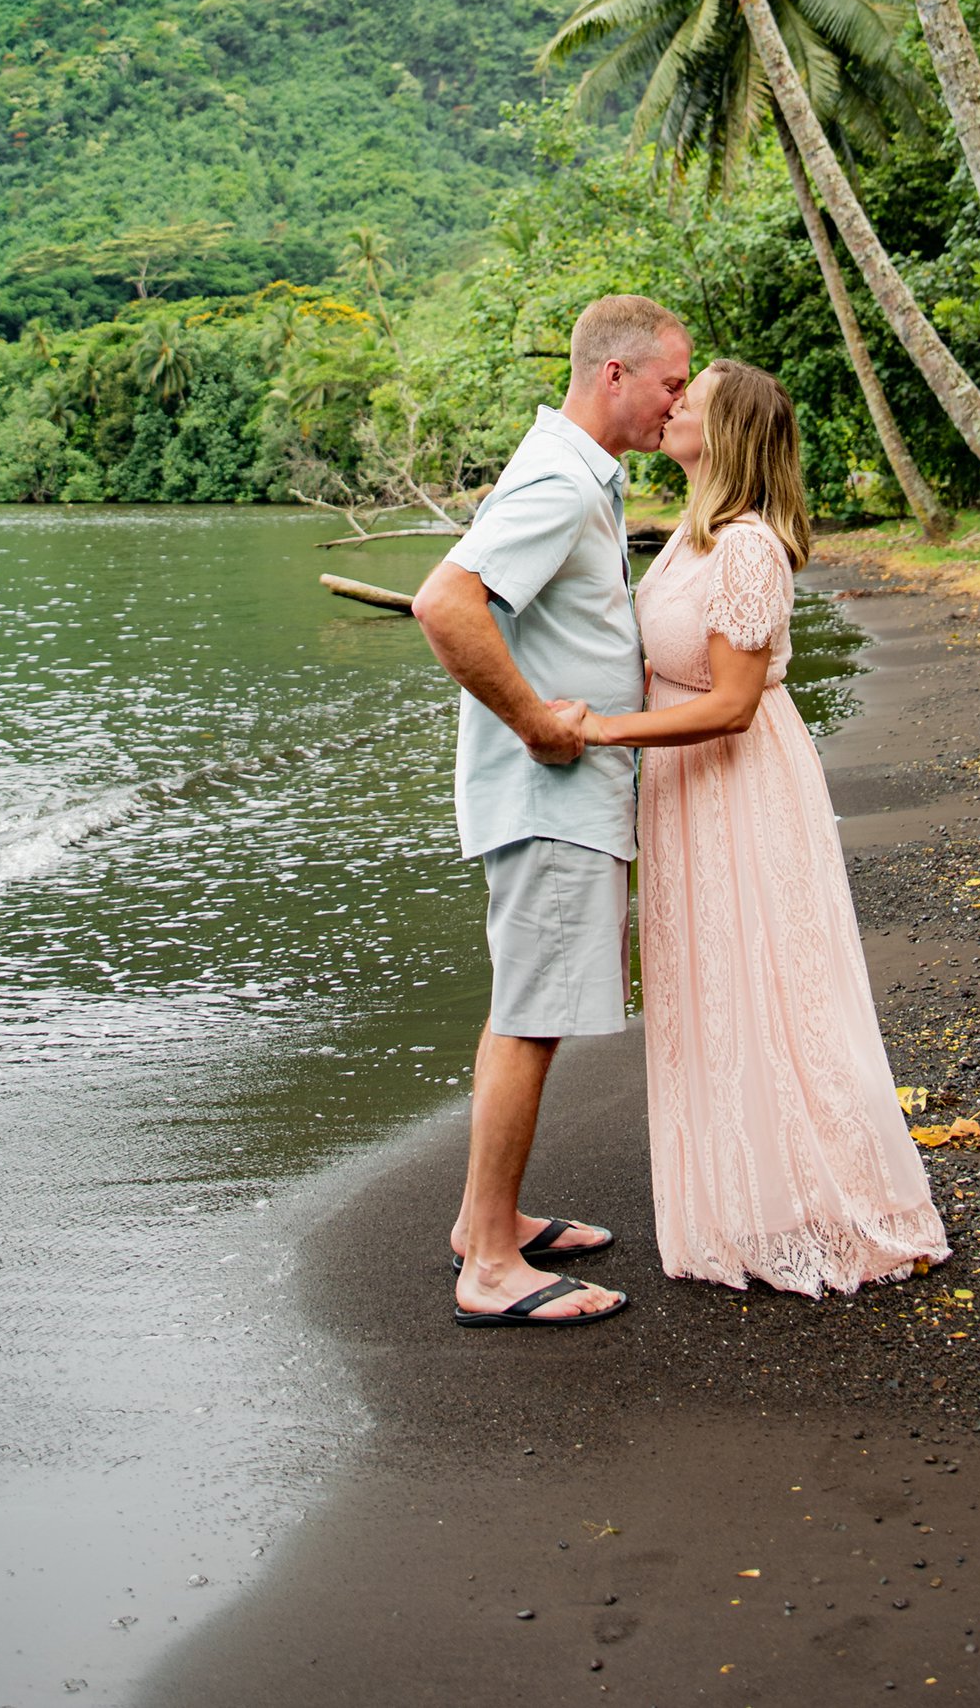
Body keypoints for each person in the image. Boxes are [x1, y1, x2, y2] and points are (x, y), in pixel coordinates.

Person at [578, 361, 949, 1294]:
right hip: (683, 789)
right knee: (710, 984)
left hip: (737, 784)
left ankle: (827, 1200)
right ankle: (745, 1199)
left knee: (773, 986)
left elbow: (734, 704)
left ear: (729, 430)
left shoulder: (747, 548)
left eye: (690, 398)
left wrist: (603, 731)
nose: (673, 406)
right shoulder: (689, 539)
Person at [411, 293, 691, 1327]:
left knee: (524, 1008)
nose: (676, 403)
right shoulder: (558, 476)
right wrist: (534, 719)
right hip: (550, 794)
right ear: (614, 374)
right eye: (669, 382)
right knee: (530, 1018)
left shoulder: (577, 474)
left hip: (563, 796)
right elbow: (446, 603)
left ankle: (492, 1217)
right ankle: (488, 1259)